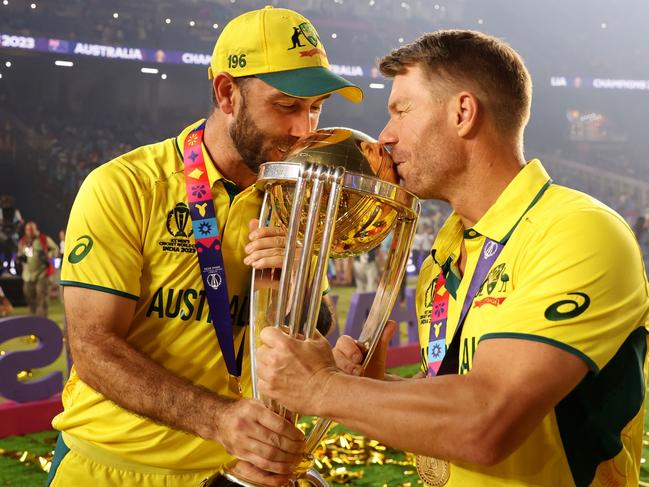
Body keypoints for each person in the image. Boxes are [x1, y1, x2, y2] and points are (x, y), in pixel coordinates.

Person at [252, 30, 649, 487]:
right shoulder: (445, 252)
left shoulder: (577, 232)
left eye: (401, 110)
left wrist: (323, 387)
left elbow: (487, 422)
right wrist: (370, 389)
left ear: (462, 113)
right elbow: (452, 408)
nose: (385, 136)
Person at [47, 6, 362, 487]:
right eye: (286, 105)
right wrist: (218, 419)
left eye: (315, 107)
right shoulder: (127, 185)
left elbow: (305, 337)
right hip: (112, 466)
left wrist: (299, 288)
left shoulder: (297, 202)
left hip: (230, 473)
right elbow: (92, 347)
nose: (304, 128)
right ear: (226, 93)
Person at [16, 221, 58, 317]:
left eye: (32, 229)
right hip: (28, 275)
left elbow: (55, 249)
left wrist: (48, 255)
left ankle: (42, 322)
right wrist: (20, 258)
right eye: (28, 229)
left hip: (42, 274)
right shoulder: (23, 242)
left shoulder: (43, 239)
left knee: (42, 299)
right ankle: (34, 319)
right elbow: (20, 254)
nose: (30, 232)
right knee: (29, 297)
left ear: (36, 229)